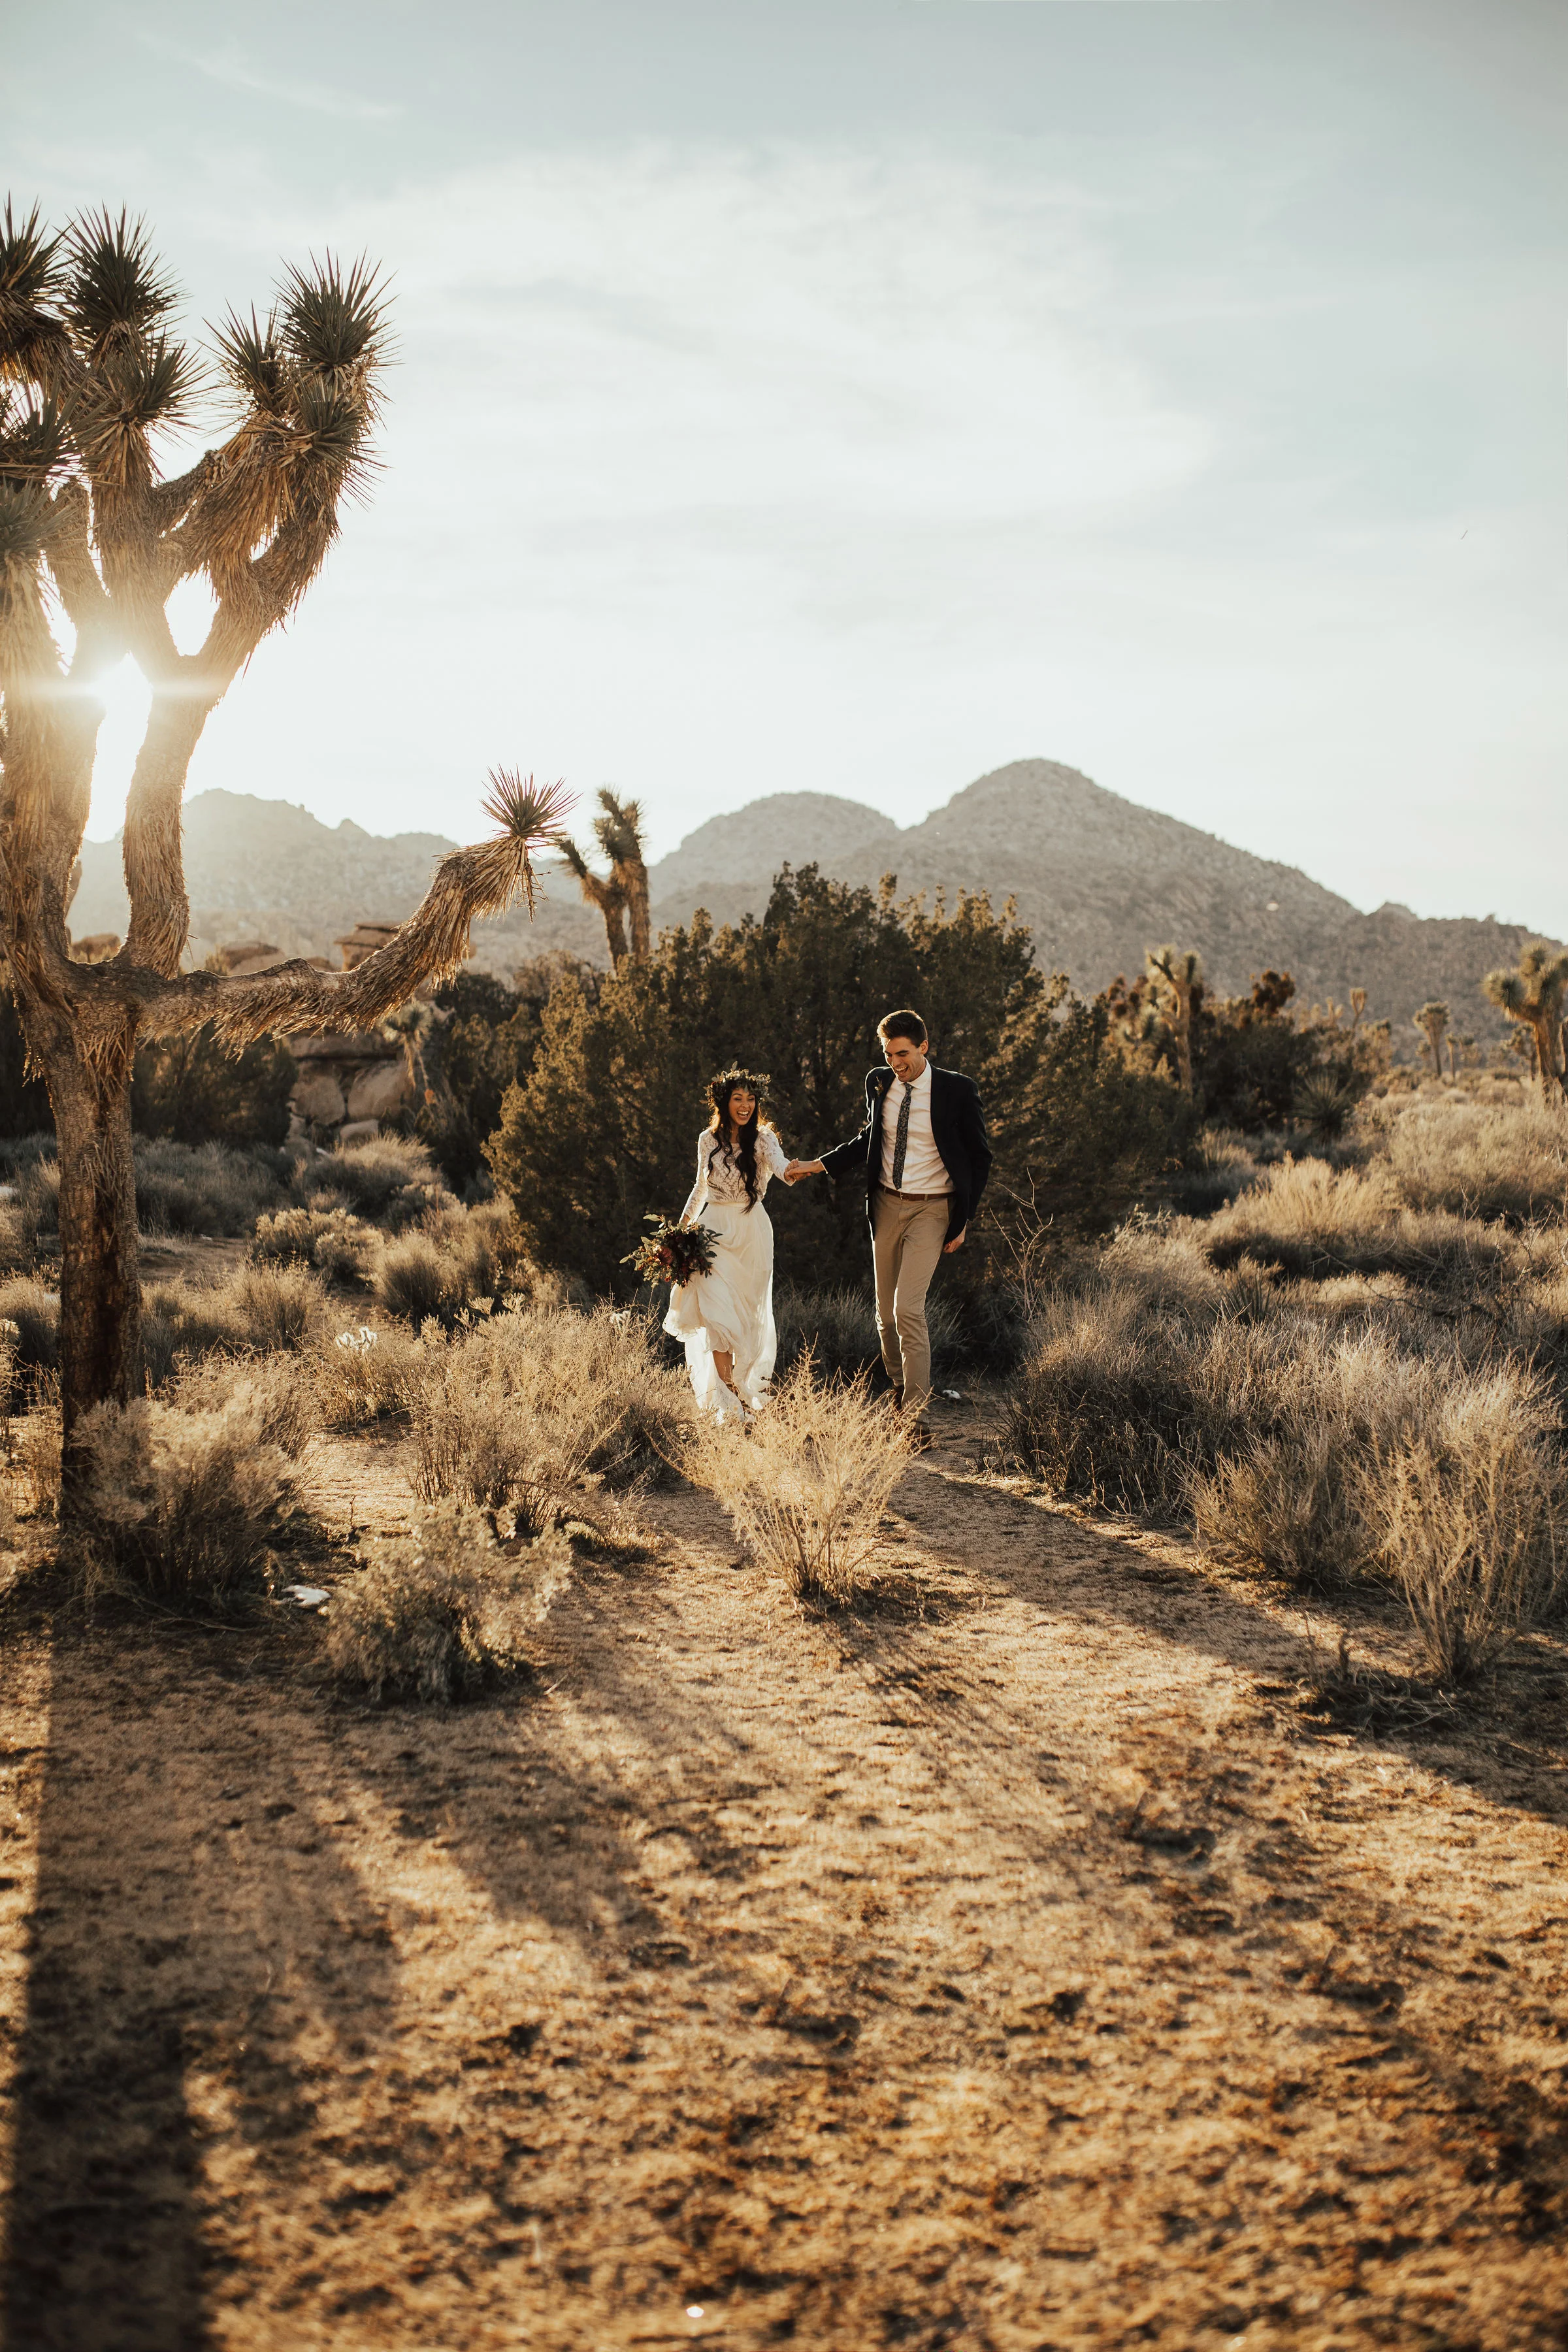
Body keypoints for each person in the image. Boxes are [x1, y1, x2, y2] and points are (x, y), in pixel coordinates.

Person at [787, 1009, 991, 1445]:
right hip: (884, 1205)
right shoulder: (879, 1082)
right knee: (884, 1316)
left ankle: (915, 1421)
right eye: (888, 1053)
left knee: (908, 1310)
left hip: (932, 1210)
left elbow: (980, 1156)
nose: (896, 1062)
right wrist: (816, 1166)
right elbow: (868, 1140)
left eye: (903, 1053)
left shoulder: (957, 1090)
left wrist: (965, 1218)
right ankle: (900, 1394)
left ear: (924, 1046)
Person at [664, 1070, 794, 1424]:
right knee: (718, 1316)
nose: (746, 1105)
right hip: (713, 1232)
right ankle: (730, 1400)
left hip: (751, 1233)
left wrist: (799, 1169)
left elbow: (782, 1168)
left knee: (746, 1317)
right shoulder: (707, 1139)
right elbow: (699, 1188)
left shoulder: (764, 1139)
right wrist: (677, 1234)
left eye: (751, 1099)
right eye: (738, 1098)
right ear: (724, 1102)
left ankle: (742, 1384)